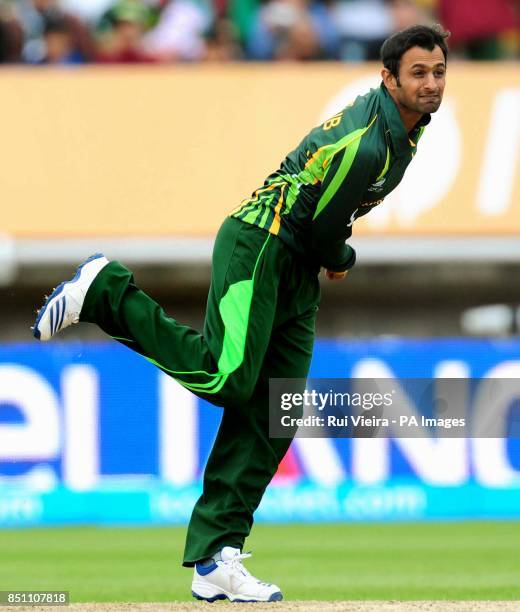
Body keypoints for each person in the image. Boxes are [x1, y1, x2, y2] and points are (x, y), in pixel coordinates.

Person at [33, 24, 448, 603]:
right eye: (418, 74)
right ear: (388, 78)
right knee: (228, 378)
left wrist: (325, 253)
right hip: (263, 242)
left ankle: (215, 558)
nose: (430, 84)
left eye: (438, 72)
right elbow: (323, 224)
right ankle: (106, 293)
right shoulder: (371, 143)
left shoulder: (406, 128)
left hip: (295, 267)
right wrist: (342, 255)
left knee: (275, 411)